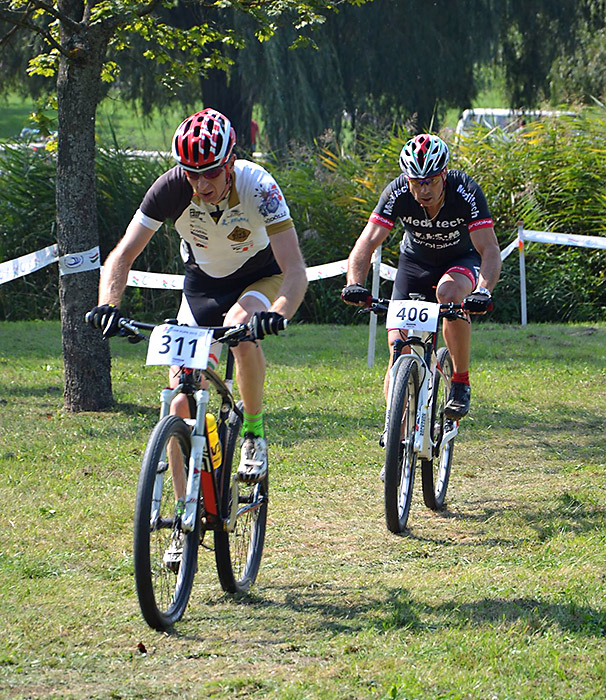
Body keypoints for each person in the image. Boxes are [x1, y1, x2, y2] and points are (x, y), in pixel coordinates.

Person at [87, 108, 308, 487]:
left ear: (231, 164)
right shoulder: (170, 188)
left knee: (239, 327)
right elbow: (122, 255)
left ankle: (253, 433)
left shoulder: (260, 187)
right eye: (192, 173)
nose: (201, 184)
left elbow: (294, 270)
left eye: (210, 173)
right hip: (202, 286)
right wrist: (109, 305)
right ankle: (182, 520)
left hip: (259, 277)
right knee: (180, 401)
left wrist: (278, 312)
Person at [342, 132, 501, 423]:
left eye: (431, 181)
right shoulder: (397, 192)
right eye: (416, 181)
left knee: (449, 294)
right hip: (415, 264)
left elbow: (489, 248)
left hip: (459, 261)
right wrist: (354, 283)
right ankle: (395, 441)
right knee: (397, 350)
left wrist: (484, 291)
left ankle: (461, 380)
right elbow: (366, 243)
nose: (423, 190)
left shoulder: (465, 190)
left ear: (444, 175)